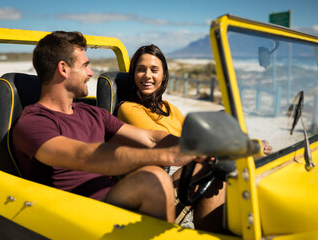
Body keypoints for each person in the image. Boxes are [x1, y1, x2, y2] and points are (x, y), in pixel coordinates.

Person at [12, 31, 209, 224]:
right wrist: (164, 155)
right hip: (75, 216)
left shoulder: (93, 113)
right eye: (85, 66)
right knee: (153, 177)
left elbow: (151, 138)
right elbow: (83, 155)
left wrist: (196, 148)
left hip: (113, 204)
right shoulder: (34, 121)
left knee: (213, 165)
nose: (90, 73)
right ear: (63, 69)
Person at [116, 44, 273, 231]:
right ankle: (212, 231)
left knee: (225, 157)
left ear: (164, 75)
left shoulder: (169, 108)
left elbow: (193, 135)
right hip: (156, 187)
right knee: (210, 160)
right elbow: (165, 140)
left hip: (183, 175)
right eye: (140, 70)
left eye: (154, 70)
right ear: (133, 75)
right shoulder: (128, 108)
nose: (147, 75)